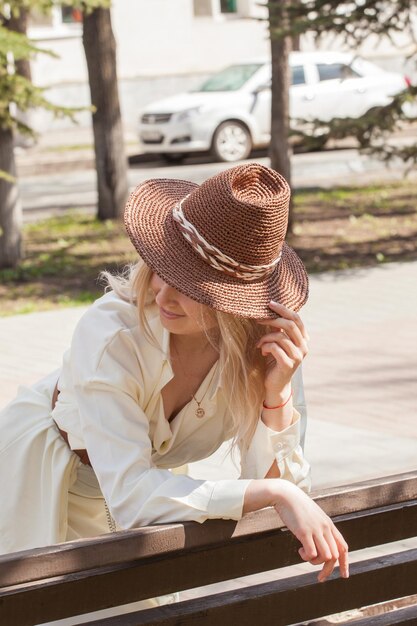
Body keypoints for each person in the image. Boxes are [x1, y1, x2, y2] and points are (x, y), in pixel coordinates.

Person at [0, 163, 348, 601]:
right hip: (41, 478)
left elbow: (284, 501)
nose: (163, 292)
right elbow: (133, 498)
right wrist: (274, 490)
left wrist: (275, 398)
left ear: (233, 301)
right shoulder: (112, 333)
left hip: (147, 500)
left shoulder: (268, 347)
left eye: (190, 283)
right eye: (165, 265)